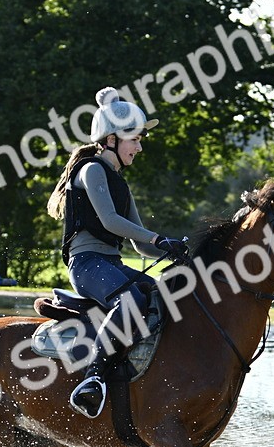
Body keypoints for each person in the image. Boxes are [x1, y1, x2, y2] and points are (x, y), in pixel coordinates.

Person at [46, 87, 191, 418]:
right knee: (131, 301)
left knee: (164, 296)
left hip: (109, 264)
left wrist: (173, 250)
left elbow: (139, 243)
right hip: (86, 265)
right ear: (111, 138)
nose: (140, 147)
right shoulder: (91, 170)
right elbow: (111, 223)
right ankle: (93, 380)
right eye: (135, 140)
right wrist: (159, 239)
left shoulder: (120, 184)